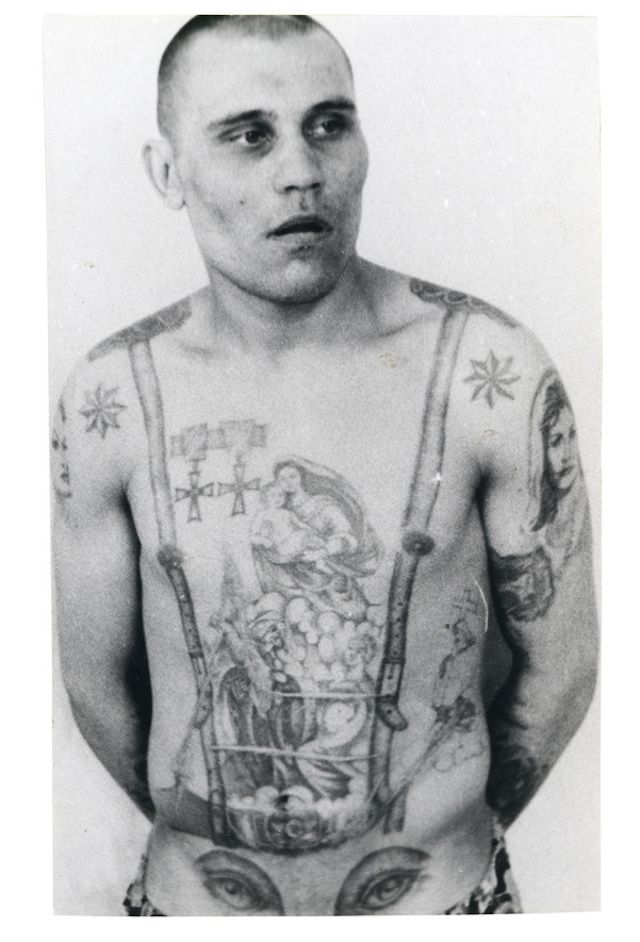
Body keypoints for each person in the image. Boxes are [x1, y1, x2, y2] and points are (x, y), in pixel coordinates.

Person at [52, 14, 598, 916]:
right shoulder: (109, 399)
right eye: (249, 135)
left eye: (329, 124)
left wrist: (438, 841)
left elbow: (563, 669)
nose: (301, 170)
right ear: (168, 173)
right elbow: (97, 688)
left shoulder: (487, 374)